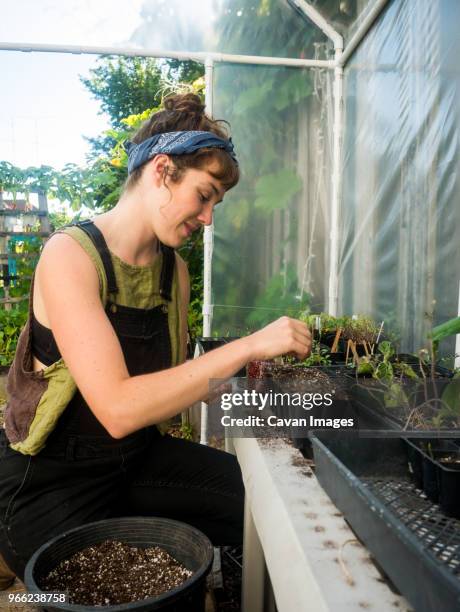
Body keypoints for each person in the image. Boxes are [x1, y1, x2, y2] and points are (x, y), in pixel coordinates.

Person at [0, 93, 311, 581]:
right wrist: (248, 345)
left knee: (268, 505)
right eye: (204, 195)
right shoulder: (71, 257)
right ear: (161, 170)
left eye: (216, 204)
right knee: (126, 586)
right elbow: (120, 409)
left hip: (136, 462)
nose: (208, 218)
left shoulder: (175, 273)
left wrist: (274, 396)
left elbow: (169, 390)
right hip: (53, 483)